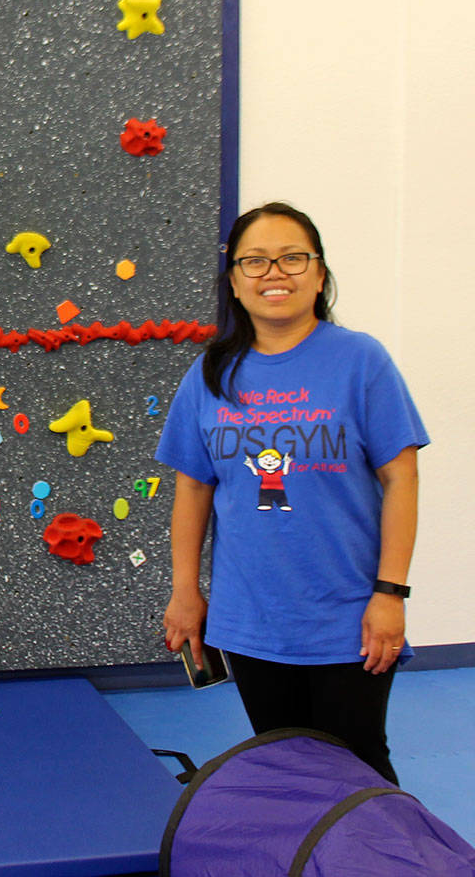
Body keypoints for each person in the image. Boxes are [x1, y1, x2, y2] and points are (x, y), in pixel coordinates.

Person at [159, 202, 425, 783]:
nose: (273, 273)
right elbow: (192, 489)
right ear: (233, 281)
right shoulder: (210, 373)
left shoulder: (361, 361)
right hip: (252, 615)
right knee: (285, 765)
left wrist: (391, 593)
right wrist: (186, 593)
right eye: (254, 261)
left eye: (292, 258)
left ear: (320, 274)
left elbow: (401, 478)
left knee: (359, 768)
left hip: (347, 614)